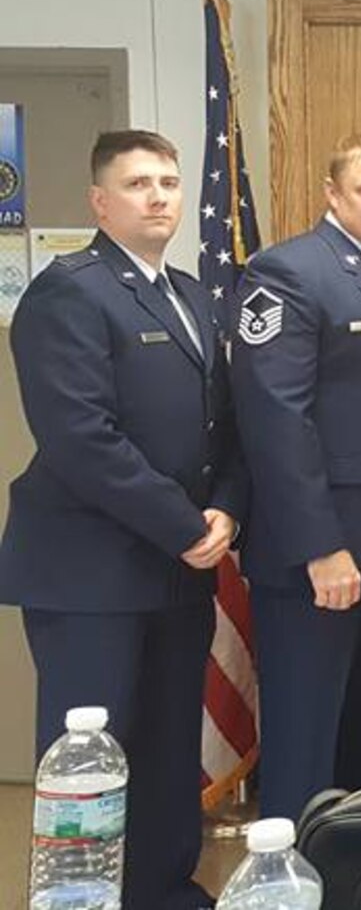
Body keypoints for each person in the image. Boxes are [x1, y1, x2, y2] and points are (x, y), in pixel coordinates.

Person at [0, 130, 247, 910]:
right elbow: (80, 438)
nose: (160, 196)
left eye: (169, 181)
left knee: (170, 745)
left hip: (179, 566)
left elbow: (224, 428)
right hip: (92, 571)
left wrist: (227, 512)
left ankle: (161, 890)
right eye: (138, 183)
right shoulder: (68, 291)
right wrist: (184, 524)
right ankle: (84, 901)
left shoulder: (191, 292)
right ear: (100, 201)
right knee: (91, 759)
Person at [230, 131, 361, 824]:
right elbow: (277, 418)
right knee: (307, 743)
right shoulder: (288, 273)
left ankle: (352, 878)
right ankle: (295, 883)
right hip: (320, 556)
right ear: (332, 195)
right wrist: (321, 544)